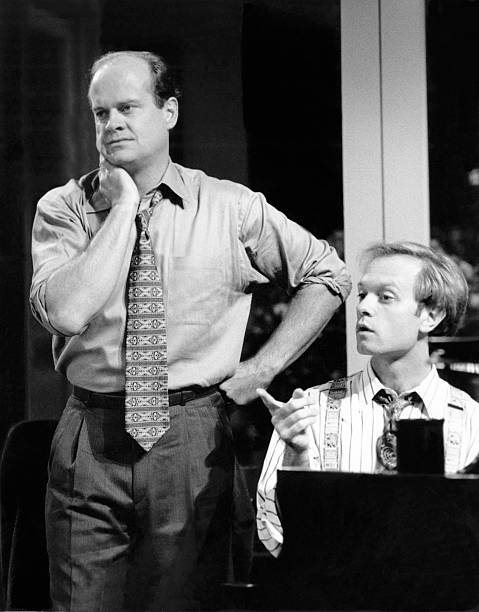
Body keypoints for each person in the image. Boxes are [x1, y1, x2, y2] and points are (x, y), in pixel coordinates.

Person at [29, 50, 351, 611]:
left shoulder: (231, 207)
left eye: (128, 108)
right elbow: (67, 313)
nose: (112, 124)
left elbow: (328, 274)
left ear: (169, 112)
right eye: (101, 113)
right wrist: (124, 207)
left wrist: (263, 367)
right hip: (90, 432)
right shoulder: (66, 208)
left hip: (191, 433)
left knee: (187, 602)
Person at [256, 241, 479, 557]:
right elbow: (275, 533)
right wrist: (297, 457)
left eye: (385, 297)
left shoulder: (471, 421)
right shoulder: (310, 409)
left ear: (431, 315)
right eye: (362, 295)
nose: (363, 307)